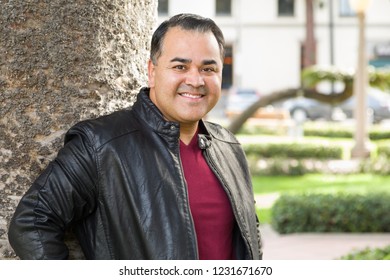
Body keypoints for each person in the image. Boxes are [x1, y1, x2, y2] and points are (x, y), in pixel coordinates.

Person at [8, 13, 263, 260]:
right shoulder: (100, 144)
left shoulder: (229, 147)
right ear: (152, 72)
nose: (195, 80)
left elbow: (251, 234)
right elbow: (31, 222)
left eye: (208, 68)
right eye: (180, 66)